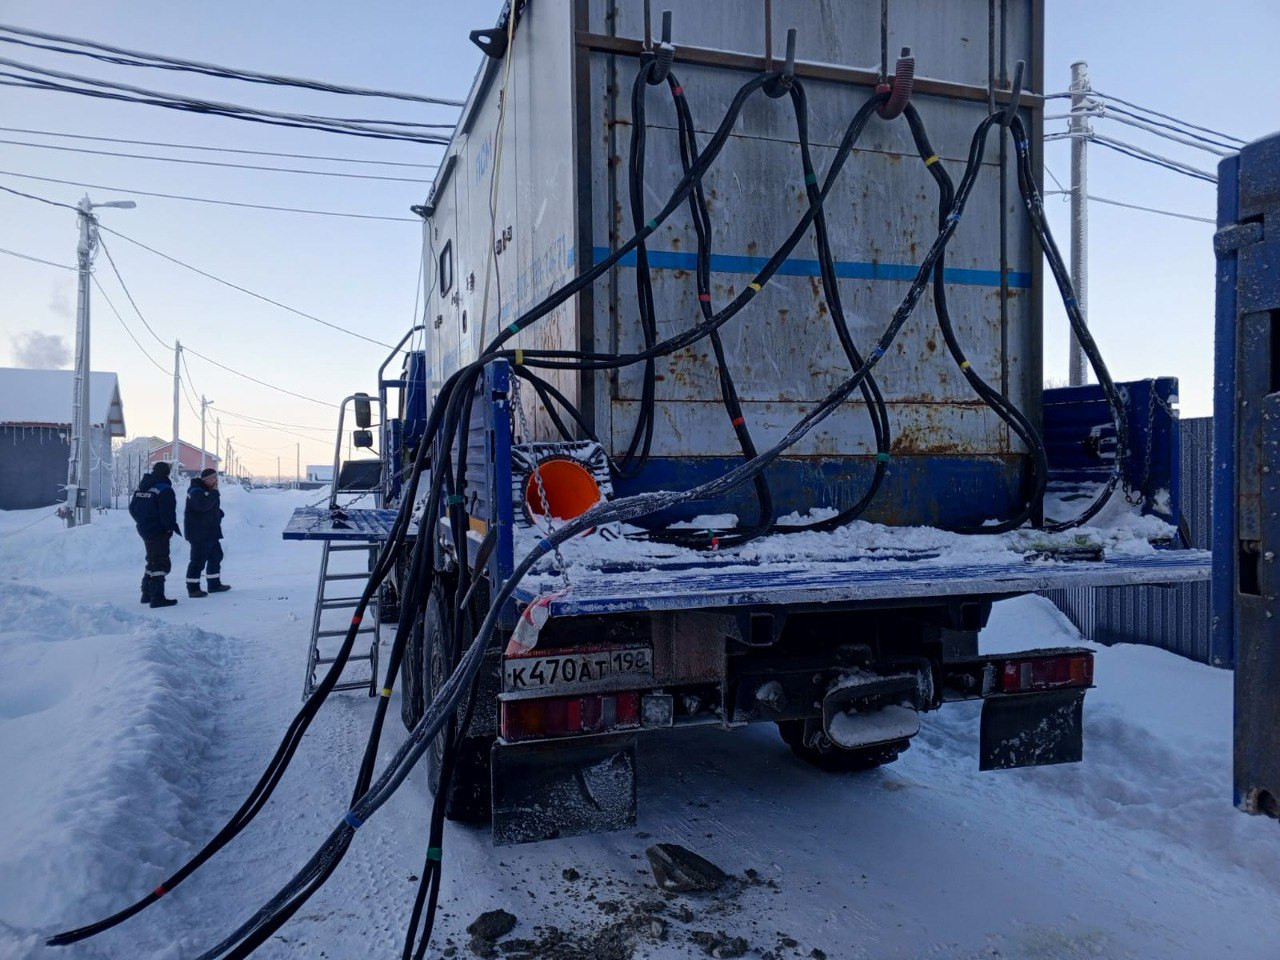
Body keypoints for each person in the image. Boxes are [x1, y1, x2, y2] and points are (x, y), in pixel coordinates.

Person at [128, 461, 180, 608]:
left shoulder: (142, 487)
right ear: (167, 473)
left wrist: (142, 522)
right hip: (158, 531)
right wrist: (169, 528)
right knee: (160, 561)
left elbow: (132, 508)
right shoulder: (164, 489)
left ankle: (146, 594)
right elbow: (167, 514)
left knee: (151, 559)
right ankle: (157, 597)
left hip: (144, 529)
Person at [184, 468, 231, 597]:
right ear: (205, 480)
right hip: (199, 533)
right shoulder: (196, 491)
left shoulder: (208, 491)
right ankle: (193, 588)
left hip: (210, 532)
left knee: (216, 556)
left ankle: (214, 584)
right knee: (198, 560)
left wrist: (218, 514)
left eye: (216, 478)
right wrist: (215, 494)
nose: (215, 481)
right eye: (212, 478)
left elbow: (210, 507)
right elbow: (202, 506)